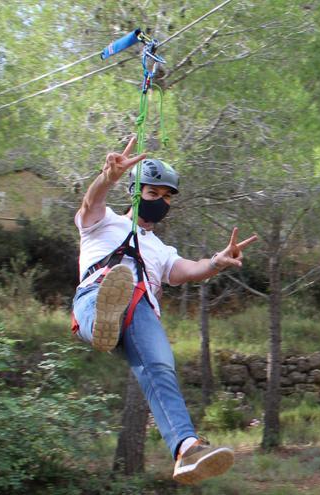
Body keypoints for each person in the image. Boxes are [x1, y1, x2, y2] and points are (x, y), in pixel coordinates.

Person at [71, 136, 257, 485]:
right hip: (93, 297)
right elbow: (89, 202)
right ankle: (101, 323)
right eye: (153, 194)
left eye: (167, 197)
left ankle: (186, 449)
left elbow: (188, 270)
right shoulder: (103, 222)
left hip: (138, 312)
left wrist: (217, 261)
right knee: (114, 289)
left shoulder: (161, 249)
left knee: (160, 368)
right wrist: (106, 177)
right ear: (134, 192)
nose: (161, 202)